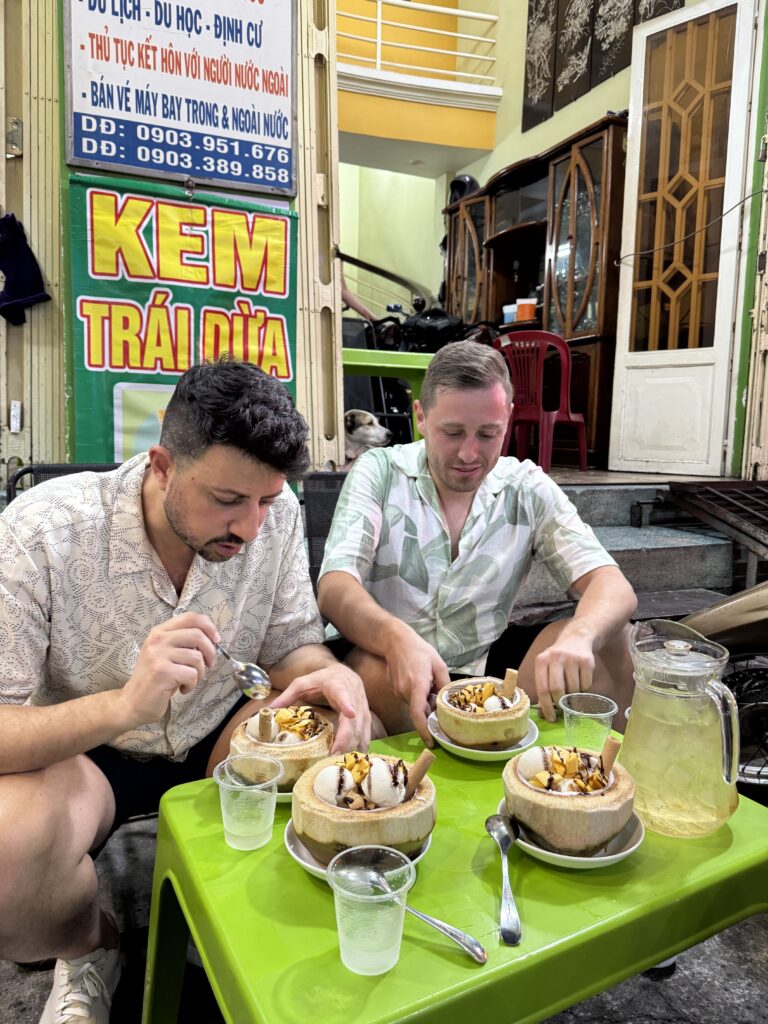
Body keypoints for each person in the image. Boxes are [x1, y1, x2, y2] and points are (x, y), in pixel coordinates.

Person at [0, 358, 373, 1024]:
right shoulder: (41, 534)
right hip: (89, 757)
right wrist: (123, 705)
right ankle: (94, 946)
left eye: (266, 500)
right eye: (228, 501)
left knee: (335, 721)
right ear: (162, 466)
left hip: (219, 731)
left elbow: (290, 644)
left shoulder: (273, 515)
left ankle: (251, 924)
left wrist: (331, 670)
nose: (252, 527)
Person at [317, 340, 638, 745]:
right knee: (374, 671)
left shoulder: (525, 486)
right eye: (452, 433)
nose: (469, 454)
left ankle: (575, 788)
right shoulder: (379, 471)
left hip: (487, 669)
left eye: (488, 434)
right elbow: (334, 586)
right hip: (388, 664)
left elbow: (612, 585)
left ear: (507, 417)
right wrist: (395, 637)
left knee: (615, 642)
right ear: (420, 416)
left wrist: (583, 632)